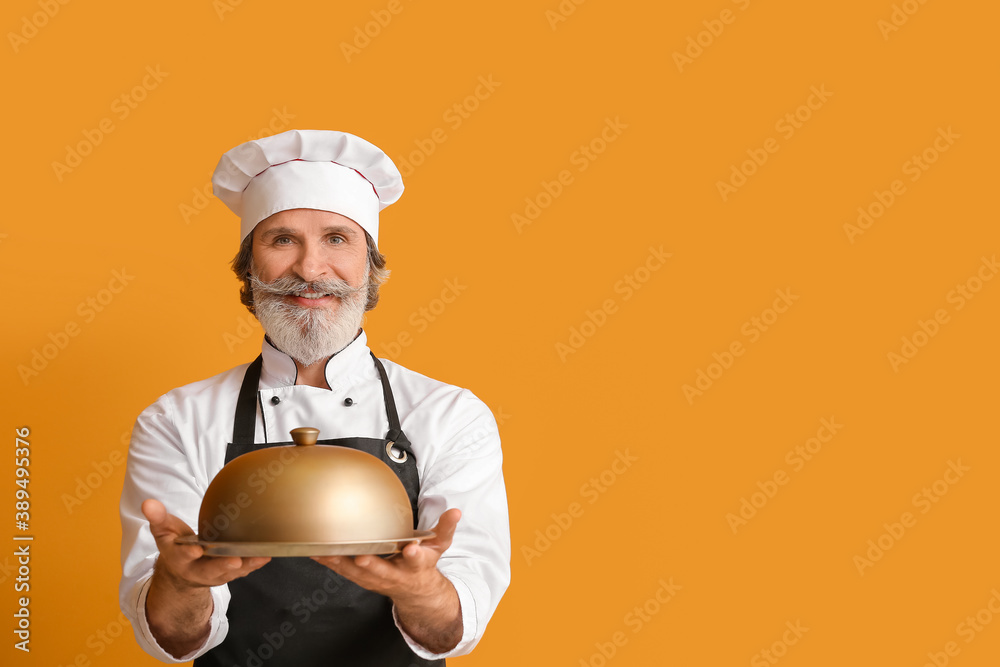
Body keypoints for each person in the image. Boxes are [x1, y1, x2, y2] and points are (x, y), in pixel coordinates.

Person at [118, 129, 510, 666]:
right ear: (248, 267)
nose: (310, 269)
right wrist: (182, 584)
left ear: (371, 267)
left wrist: (420, 589)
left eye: (336, 238)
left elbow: (454, 629)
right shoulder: (177, 419)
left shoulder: (449, 414)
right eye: (282, 239)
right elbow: (170, 638)